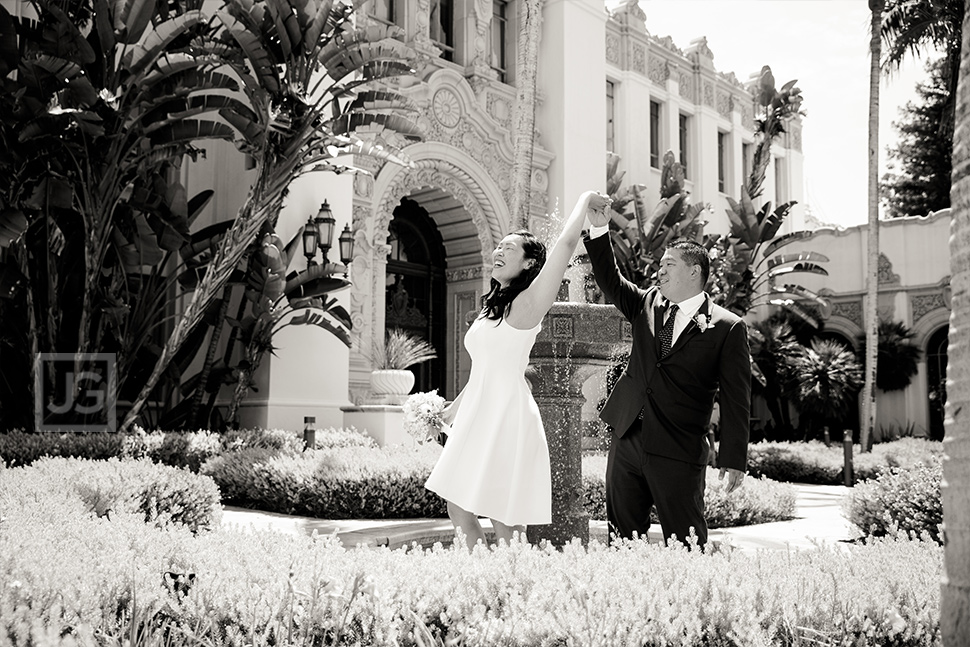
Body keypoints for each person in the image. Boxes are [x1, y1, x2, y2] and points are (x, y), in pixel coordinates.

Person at [425, 190, 612, 550]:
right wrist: (447, 412)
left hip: (508, 417)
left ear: (528, 263)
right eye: (498, 246)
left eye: (508, 249)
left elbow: (566, 243)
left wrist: (584, 198)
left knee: (505, 520)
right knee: (458, 507)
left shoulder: (529, 303)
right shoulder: (491, 308)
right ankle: (482, 581)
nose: (498, 251)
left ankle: (514, 589)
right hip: (479, 416)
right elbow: (483, 372)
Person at [583, 217, 751, 549]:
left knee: (686, 541)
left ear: (694, 272)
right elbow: (610, 280)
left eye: (669, 265)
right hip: (627, 436)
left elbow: (737, 398)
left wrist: (734, 458)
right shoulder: (645, 302)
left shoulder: (728, 327)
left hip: (678, 446)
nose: (660, 271)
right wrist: (600, 229)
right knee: (623, 539)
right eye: (660, 265)